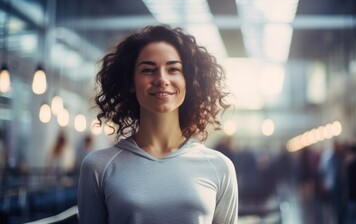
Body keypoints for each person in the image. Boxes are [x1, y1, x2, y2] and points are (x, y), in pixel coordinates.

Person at [77, 25, 238, 224]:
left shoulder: (219, 167)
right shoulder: (98, 166)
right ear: (130, 82)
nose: (161, 79)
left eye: (173, 69)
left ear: (189, 81)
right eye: (148, 70)